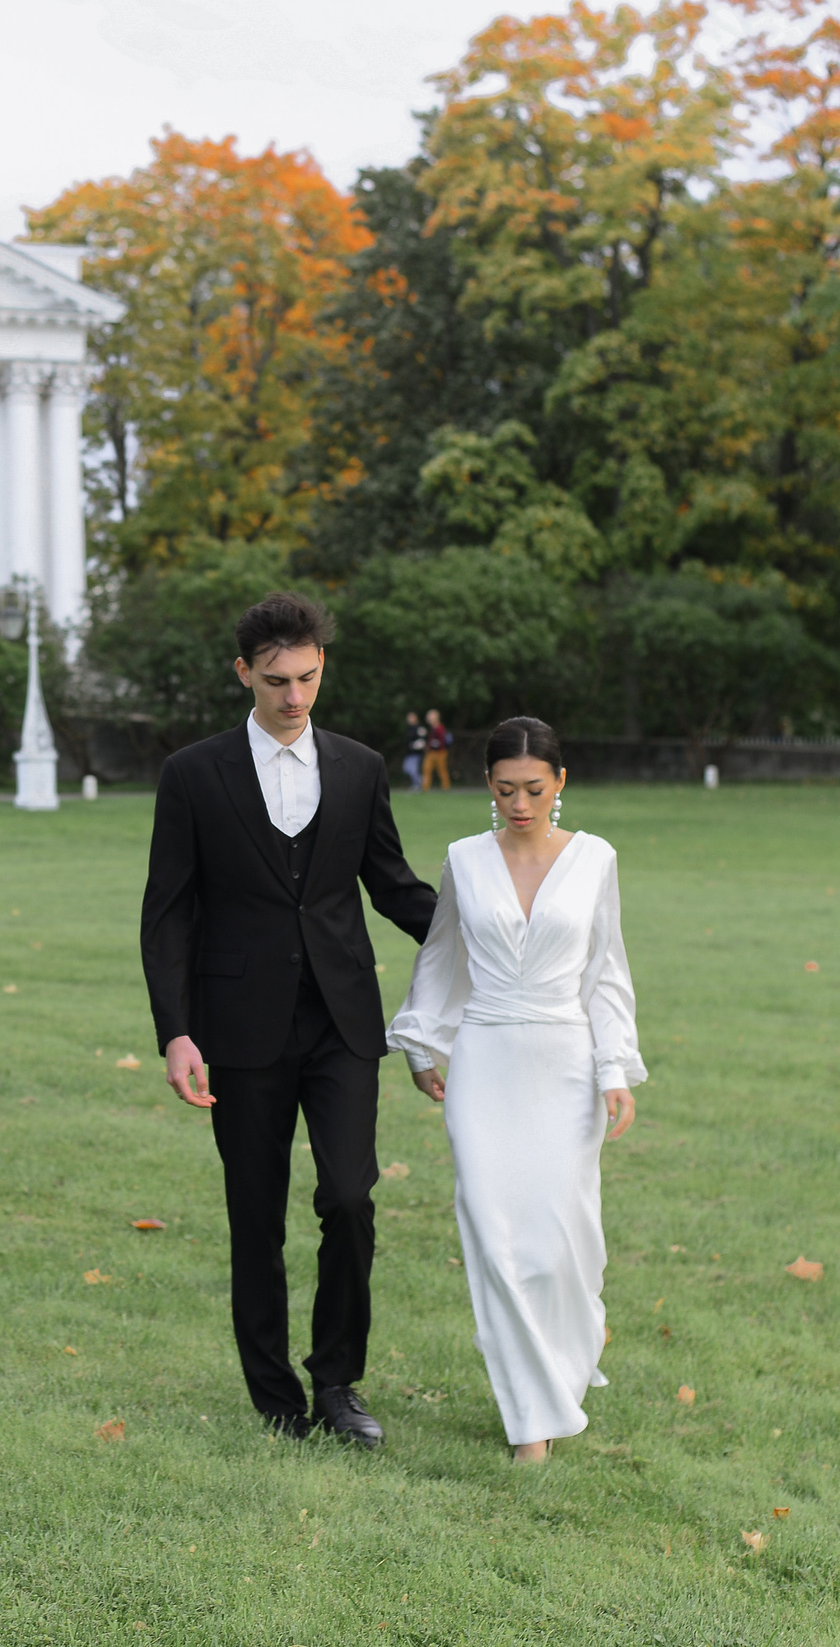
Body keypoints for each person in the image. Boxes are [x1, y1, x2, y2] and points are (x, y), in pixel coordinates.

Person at [139, 591, 438, 1449]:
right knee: (256, 1213)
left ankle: (338, 1382)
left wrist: (489, 928)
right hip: (237, 1028)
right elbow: (168, 912)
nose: (295, 697)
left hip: (343, 1022)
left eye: (307, 677)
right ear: (244, 673)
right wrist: (176, 1029)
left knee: (349, 1197)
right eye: (277, 681)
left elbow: (393, 885)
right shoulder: (193, 774)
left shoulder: (360, 765)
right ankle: (275, 1399)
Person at [387, 718, 643, 1464]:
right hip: (484, 1061)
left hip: (566, 1061)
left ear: (560, 783)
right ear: (488, 787)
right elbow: (440, 962)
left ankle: (571, 1342)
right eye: (505, 790)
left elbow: (606, 972)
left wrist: (614, 1067)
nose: (520, 804)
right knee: (494, 1238)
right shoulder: (466, 860)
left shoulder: (595, 859)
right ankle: (530, 1421)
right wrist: (419, 1046)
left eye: (534, 789)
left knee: (559, 1239)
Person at [422, 709, 453, 791]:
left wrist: (432, 745)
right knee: (426, 769)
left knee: (442, 770)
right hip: (431, 752)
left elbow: (441, 741)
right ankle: (425, 788)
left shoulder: (439, 728)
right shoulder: (433, 728)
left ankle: (446, 787)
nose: (428, 718)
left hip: (440, 752)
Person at [401, 712, 428, 791]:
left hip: (416, 753)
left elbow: (423, 739)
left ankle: (418, 784)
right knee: (406, 769)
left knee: (413, 770)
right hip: (409, 753)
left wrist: (416, 746)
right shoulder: (409, 728)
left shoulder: (419, 728)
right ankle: (420, 781)